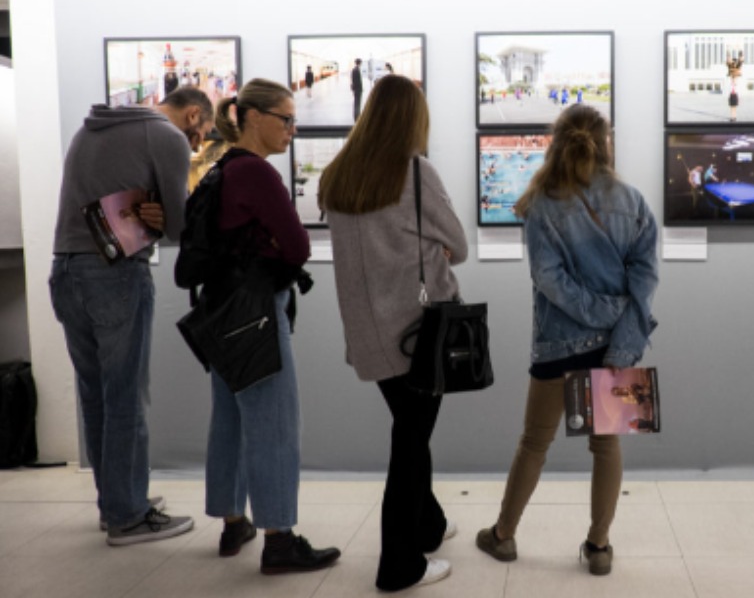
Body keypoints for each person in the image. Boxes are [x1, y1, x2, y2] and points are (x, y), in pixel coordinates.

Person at [475, 104, 659, 576]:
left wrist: (596, 313)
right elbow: (645, 276)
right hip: (617, 346)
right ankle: (598, 547)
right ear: (606, 141)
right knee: (607, 447)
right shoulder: (633, 200)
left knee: (534, 442)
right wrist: (618, 322)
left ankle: (503, 536)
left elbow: (549, 280)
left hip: (559, 346)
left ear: (556, 141)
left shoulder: (541, 205)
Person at [319, 74, 465, 592]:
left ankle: (428, 525)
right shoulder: (416, 174)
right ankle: (399, 565)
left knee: (410, 428)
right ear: (412, 118)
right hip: (417, 332)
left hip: (367, 332)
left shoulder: (338, 174)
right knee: (409, 440)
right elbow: (459, 244)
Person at [50, 87, 214, 545]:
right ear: (194, 113)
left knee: (96, 395)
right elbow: (181, 227)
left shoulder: (92, 126)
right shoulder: (165, 136)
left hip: (65, 270)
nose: (197, 145)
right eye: (200, 134)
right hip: (115, 275)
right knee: (125, 395)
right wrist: (164, 218)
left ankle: (116, 500)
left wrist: (157, 213)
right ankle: (128, 515)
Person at [203, 78, 340, 574]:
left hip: (220, 312)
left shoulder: (222, 168)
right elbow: (298, 245)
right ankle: (280, 540)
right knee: (275, 425)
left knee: (231, 420)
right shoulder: (258, 175)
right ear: (253, 116)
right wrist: (285, 245)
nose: (292, 128)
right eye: (285, 118)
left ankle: (234, 521)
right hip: (256, 315)